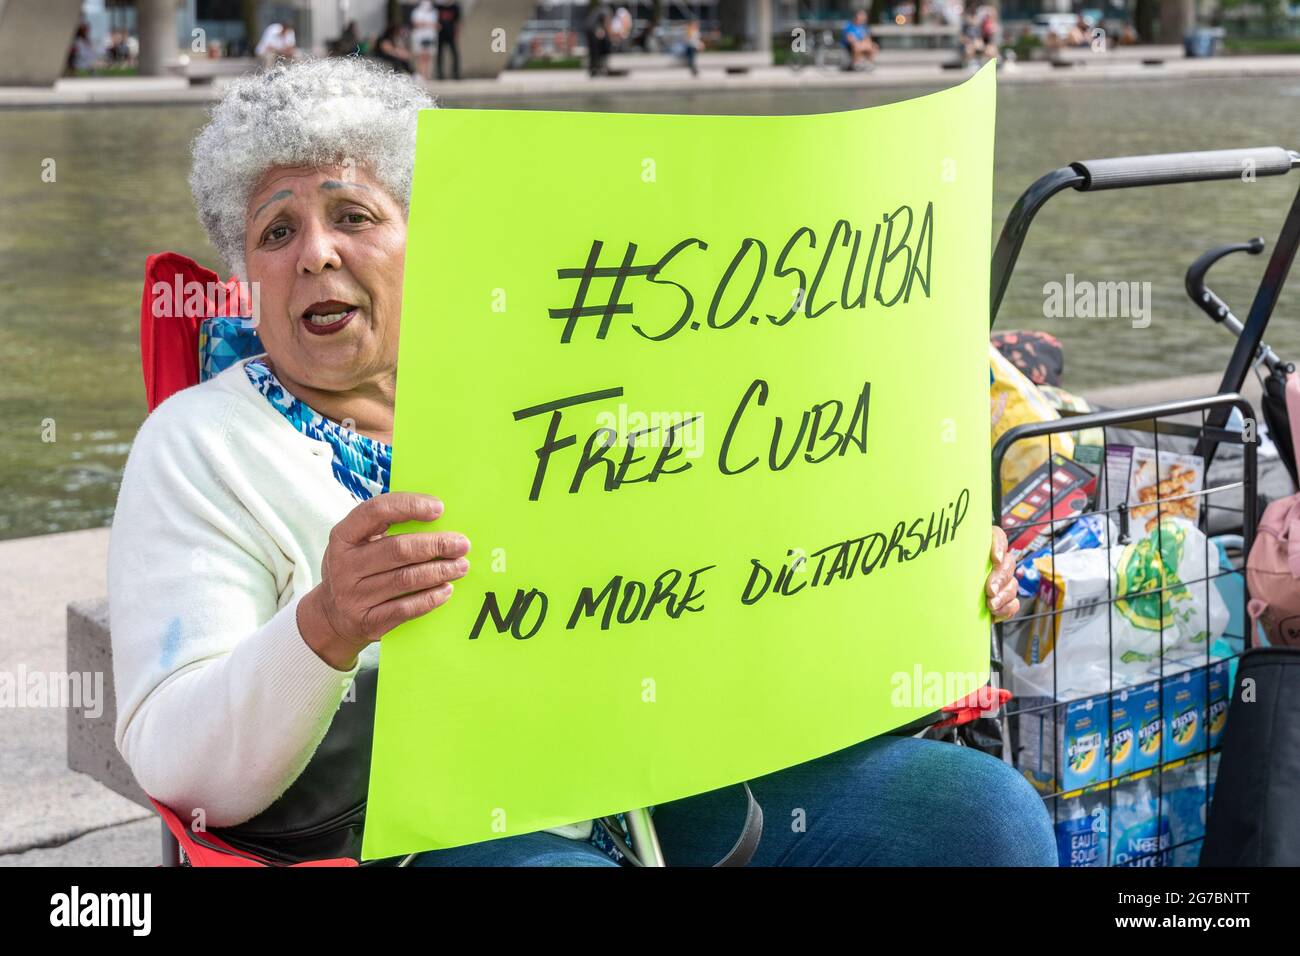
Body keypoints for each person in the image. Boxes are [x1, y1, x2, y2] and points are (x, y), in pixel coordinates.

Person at [109, 56, 1055, 868]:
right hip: (424, 829)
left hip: (674, 770)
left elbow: (757, 555)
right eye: (277, 231)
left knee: (988, 816)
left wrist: (925, 563)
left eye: (353, 215)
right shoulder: (200, 446)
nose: (316, 253)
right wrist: (323, 627)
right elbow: (176, 760)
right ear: (247, 274)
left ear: (429, 239)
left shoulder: (569, 372)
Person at [435, 0, 461, 80]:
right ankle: (440, 74)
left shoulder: (455, 7)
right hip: (440, 34)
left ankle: (456, 74)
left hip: (451, 33)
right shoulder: (438, 7)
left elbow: (458, 21)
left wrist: (457, 32)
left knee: (455, 54)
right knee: (440, 54)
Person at [411, 1, 437, 79]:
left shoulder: (433, 12)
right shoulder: (416, 12)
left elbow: (435, 24)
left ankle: (427, 75)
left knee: (428, 57)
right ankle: (421, 74)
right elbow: (416, 23)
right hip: (420, 37)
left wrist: (426, 24)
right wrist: (428, 24)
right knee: (421, 56)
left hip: (430, 36)